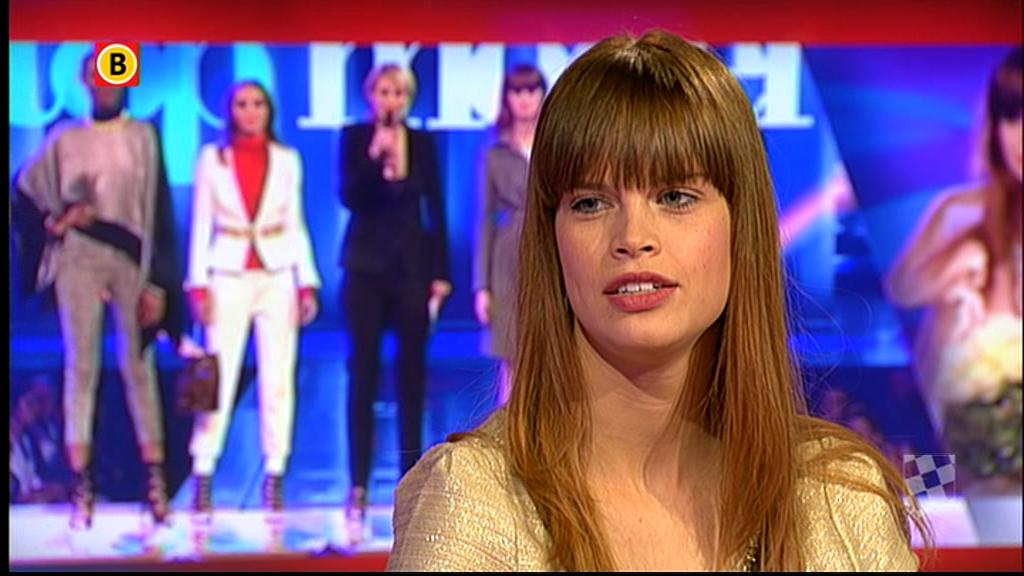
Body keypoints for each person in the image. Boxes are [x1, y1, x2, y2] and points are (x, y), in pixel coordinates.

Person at [388, 31, 928, 571]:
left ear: (741, 224)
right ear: (551, 238)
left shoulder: (840, 502)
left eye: (674, 196)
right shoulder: (471, 505)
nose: (633, 237)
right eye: (591, 202)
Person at [12, 52, 181, 529]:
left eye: (114, 74)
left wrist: (158, 281)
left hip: (130, 260)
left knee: (139, 365)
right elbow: (24, 193)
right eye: (97, 75)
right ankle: (80, 486)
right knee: (81, 366)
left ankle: (155, 481)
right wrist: (57, 220)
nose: (105, 83)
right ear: (85, 80)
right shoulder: (64, 139)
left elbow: (158, 212)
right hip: (79, 259)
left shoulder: (142, 136)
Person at [886, 48, 1022, 492]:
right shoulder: (962, 214)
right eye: (1011, 116)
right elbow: (902, 288)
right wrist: (955, 265)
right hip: (959, 463)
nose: (1020, 136)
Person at [185, 80, 321, 513]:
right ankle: (203, 469)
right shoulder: (212, 159)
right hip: (227, 273)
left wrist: (306, 282)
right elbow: (200, 222)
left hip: (277, 273)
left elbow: (296, 223)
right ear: (230, 111)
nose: (250, 111)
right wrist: (197, 283)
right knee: (218, 375)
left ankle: (275, 471)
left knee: (278, 377)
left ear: (269, 110)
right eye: (242, 104)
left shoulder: (286, 159)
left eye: (258, 103)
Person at [339, 63, 451, 538]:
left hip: (411, 270)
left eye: (399, 93)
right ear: (371, 96)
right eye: (384, 92)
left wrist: (441, 274)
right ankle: (358, 487)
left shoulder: (422, 143)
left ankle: (411, 484)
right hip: (364, 269)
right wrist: (374, 157)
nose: (391, 100)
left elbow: (436, 208)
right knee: (363, 377)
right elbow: (349, 196)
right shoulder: (354, 137)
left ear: (408, 98)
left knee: (411, 380)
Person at [474, 64, 547, 405]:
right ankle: (510, 430)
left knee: (551, 353)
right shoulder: (495, 153)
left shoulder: (555, 146)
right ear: (506, 98)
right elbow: (484, 220)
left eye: (531, 90)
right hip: (508, 260)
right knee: (512, 355)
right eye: (517, 91)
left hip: (551, 252)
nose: (524, 99)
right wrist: (482, 286)